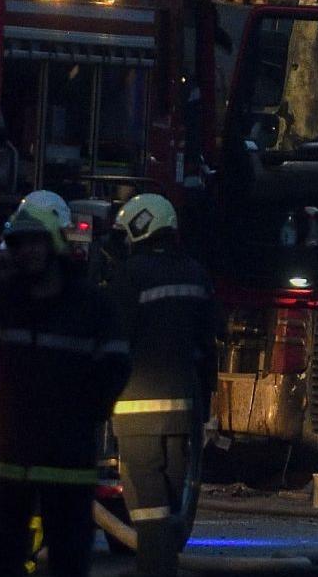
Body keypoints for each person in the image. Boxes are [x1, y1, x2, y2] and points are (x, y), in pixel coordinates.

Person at [0, 206, 130, 577]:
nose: (28, 251)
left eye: (36, 242)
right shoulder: (2, 299)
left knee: (69, 561)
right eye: (19, 244)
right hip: (6, 464)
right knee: (2, 562)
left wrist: (85, 415)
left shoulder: (89, 305)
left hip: (66, 464)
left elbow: (116, 363)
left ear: (55, 245)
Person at [107, 194, 218, 576]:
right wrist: (204, 405)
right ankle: (163, 561)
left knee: (148, 506)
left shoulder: (129, 275)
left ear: (142, 225)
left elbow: (114, 339)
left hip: (135, 410)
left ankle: (156, 568)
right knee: (172, 503)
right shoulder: (197, 274)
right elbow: (208, 343)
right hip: (183, 410)